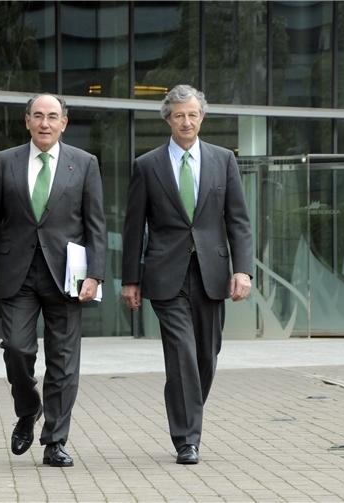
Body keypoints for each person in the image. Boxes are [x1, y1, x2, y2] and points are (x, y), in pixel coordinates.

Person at [0, 93, 107, 468]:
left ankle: (55, 441)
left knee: (64, 360)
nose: (45, 123)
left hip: (67, 276)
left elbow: (96, 225)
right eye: (38, 116)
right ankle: (29, 407)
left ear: (64, 122)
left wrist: (95, 275)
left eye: (52, 116)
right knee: (16, 347)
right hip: (18, 272)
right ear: (27, 121)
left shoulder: (84, 163)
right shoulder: (5, 161)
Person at [121, 85, 253, 465]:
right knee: (181, 352)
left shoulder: (223, 159)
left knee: (205, 357)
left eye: (192, 114)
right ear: (168, 119)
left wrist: (242, 269)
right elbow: (134, 228)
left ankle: (187, 412)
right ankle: (187, 439)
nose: (186, 121)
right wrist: (131, 279)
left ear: (202, 117)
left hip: (212, 272)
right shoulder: (147, 165)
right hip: (166, 275)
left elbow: (239, 220)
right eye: (179, 115)